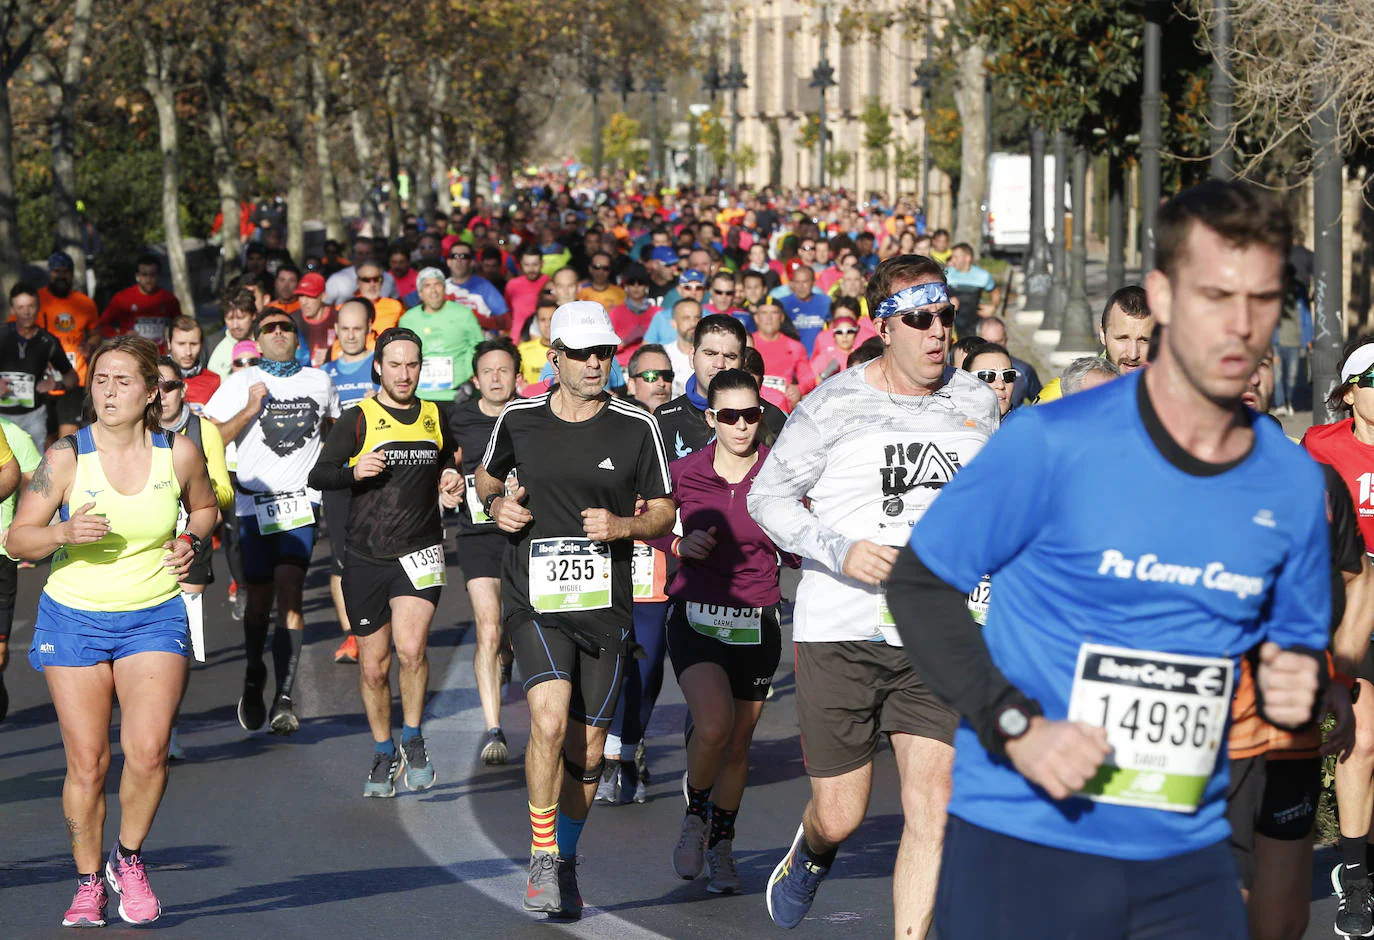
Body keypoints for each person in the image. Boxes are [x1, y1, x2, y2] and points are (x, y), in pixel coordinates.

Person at [886, 180, 1329, 939]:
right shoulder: (1052, 441)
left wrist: (1300, 678)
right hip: (1026, 839)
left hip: (1188, 857)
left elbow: (1295, 654)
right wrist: (1017, 724)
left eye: (1262, 301)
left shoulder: (1289, 479)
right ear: (1160, 294)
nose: (1241, 326)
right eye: (1215, 296)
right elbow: (920, 585)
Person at [750, 257, 999, 936]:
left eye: (946, 316)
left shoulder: (978, 402)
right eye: (920, 318)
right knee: (843, 812)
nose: (938, 332)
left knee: (935, 804)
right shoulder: (831, 404)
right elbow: (766, 496)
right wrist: (838, 549)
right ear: (883, 326)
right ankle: (814, 848)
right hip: (842, 632)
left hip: (940, 634)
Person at [475, 300, 674, 918]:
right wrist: (495, 507)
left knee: (588, 754)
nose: (595, 364)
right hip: (534, 598)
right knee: (549, 719)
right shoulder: (519, 418)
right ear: (553, 356)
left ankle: (563, 855)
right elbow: (486, 479)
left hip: (605, 607)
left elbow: (664, 511)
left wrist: (623, 524)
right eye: (583, 353)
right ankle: (539, 856)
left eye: (604, 353)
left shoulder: (636, 425)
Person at [9, 335, 215, 927]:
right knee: (89, 763)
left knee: (148, 753)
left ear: (152, 391)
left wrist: (189, 540)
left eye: (124, 380)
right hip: (74, 617)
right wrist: (61, 535)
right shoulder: (66, 456)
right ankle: (86, 881)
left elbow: (204, 508)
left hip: (152, 613)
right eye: (101, 379)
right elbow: (17, 537)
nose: (109, 391)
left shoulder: (177, 454)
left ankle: (128, 861)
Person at [1223, 346, 1368, 940]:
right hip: (1194, 717)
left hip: (1287, 713)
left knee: (1279, 884)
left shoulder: (1314, 482)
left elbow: (1360, 581)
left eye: (1259, 363)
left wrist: (1341, 670)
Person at [662, 369, 801, 894]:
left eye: (751, 414)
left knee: (739, 744)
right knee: (715, 724)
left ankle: (722, 845)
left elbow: (796, 543)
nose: (742, 426)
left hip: (758, 619)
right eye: (729, 416)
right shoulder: (685, 471)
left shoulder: (780, 473)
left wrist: (794, 544)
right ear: (710, 419)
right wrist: (676, 547)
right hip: (696, 613)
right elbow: (648, 524)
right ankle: (695, 814)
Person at [310, 327, 463, 797]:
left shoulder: (436, 414)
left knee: (412, 650)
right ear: (378, 366)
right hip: (365, 555)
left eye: (412, 365)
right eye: (394, 364)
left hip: (420, 550)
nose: (404, 374)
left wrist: (451, 478)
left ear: (421, 367)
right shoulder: (359, 417)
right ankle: (383, 748)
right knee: (374, 666)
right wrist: (354, 471)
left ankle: (413, 738)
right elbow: (320, 474)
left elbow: (448, 459)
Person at [204, 307, 339, 734]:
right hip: (252, 507)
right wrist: (248, 410)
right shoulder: (240, 383)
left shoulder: (319, 381)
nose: (279, 333)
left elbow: (332, 431)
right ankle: (252, 671)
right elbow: (209, 441)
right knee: (259, 601)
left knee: (291, 593)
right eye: (270, 328)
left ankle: (284, 695)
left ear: (297, 337)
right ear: (257, 340)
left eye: (287, 328)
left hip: (301, 505)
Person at [1301, 336, 1374, 937]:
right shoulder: (1322, 447)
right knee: (1365, 740)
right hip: (1354, 605)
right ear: (1349, 391)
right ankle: (1354, 877)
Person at [596, 343, 676, 804]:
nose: (659, 382)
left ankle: (629, 748)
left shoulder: (686, 425)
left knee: (646, 670)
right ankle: (607, 754)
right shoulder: (613, 425)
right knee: (610, 667)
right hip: (610, 563)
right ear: (630, 381)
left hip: (661, 562)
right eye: (649, 376)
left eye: (665, 374)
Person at [155, 356, 235, 759]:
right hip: (144, 541)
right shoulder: (137, 429)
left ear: (182, 389)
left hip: (189, 536)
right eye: (155, 386)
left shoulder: (203, 430)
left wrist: (195, 496)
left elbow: (224, 492)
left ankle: (166, 725)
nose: (162, 394)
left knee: (175, 640)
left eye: (169, 386)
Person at [447, 338, 520, 764]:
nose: (495, 378)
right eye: (488, 371)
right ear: (476, 380)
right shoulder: (459, 419)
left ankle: (505, 663)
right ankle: (494, 728)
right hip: (477, 534)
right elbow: (443, 460)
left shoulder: (530, 416)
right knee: (489, 627)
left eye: (503, 370)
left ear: (517, 377)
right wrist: (448, 479)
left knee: (512, 630)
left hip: (522, 535)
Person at [320, 299, 380, 665]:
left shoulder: (381, 367)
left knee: (379, 553)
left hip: (379, 474)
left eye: (358, 329)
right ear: (336, 332)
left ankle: (378, 624)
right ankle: (352, 634)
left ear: (368, 329)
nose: (351, 335)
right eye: (345, 329)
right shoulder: (323, 374)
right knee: (340, 558)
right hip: (341, 477)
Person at [1036, 285, 1153, 403]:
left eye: (1144, 340)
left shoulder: (1169, 398)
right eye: (1122, 338)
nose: (1133, 354)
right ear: (1102, 334)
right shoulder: (1061, 394)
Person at [655, 315, 749, 460]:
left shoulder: (766, 418)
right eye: (710, 354)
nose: (719, 364)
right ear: (692, 356)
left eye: (730, 357)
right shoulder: (664, 419)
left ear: (743, 363)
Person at [2, 283, 79, 453]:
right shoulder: (2, 335)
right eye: (21, 307)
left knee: (35, 471)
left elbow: (72, 377)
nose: (26, 312)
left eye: (31, 306)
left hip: (33, 417)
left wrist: (57, 384)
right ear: (13, 309)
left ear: (38, 307)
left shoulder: (48, 341)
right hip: (2, 417)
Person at [37, 252, 100, 439]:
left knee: (69, 438)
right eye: (56, 271)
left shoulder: (85, 303)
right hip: (44, 381)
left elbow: (97, 333)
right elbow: (16, 330)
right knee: (46, 438)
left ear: (72, 274)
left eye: (65, 272)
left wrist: (90, 343)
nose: (61, 276)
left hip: (75, 380)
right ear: (49, 273)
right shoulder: (37, 300)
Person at [399, 268, 483, 404]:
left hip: (459, 394)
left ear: (445, 288)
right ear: (420, 293)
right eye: (427, 286)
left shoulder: (464, 314)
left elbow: (479, 349)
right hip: (420, 394)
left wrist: (470, 382)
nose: (433, 290)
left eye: (437, 284)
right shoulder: (407, 320)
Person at [98, 254, 182, 348]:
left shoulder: (169, 299)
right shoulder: (122, 298)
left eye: (152, 275)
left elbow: (180, 327)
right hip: (132, 353)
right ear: (137, 276)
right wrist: (122, 335)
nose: (148, 279)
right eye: (144, 275)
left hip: (160, 357)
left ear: (158, 275)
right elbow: (103, 325)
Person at [751, 300, 814, 412]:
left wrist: (799, 389)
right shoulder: (749, 343)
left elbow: (808, 377)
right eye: (764, 313)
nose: (769, 318)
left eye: (774, 313)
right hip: (753, 403)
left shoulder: (795, 346)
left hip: (785, 407)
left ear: (781, 317)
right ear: (756, 318)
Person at [974, 316, 1042, 406]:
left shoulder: (1024, 371)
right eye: (988, 342)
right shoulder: (968, 369)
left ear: (1006, 340)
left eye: (998, 342)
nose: (994, 347)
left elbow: (1042, 406)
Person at [944, 243, 999, 338]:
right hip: (952, 323)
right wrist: (947, 303)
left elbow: (995, 293)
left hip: (975, 322)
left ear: (968, 258)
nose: (952, 260)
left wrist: (993, 307)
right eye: (952, 257)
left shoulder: (983, 276)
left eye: (956, 257)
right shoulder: (947, 274)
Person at [165, 316, 220, 412]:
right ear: (169, 343)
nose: (188, 352)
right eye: (181, 344)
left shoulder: (214, 381)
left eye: (194, 344)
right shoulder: (155, 378)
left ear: (202, 344)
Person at [776, 266, 831, 356]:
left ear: (813, 282)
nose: (801, 286)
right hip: (793, 356)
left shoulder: (825, 302)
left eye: (805, 282)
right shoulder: (783, 304)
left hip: (819, 357)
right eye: (797, 282)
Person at [207, 290, 257, 378]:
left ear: (253, 315)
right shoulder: (211, 345)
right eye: (229, 319)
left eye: (241, 318)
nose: (235, 325)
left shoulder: (265, 342)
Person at [506, 244, 550, 342]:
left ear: (542, 263)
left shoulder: (548, 283)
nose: (531, 269)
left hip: (542, 340)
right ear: (521, 264)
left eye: (535, 264)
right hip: (516, 340)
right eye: (527, 265)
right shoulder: (512, 285)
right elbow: (508, 312)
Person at [963, 342, 1019, 418]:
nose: (1000, 385)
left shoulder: (1029, 427)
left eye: (1008, 375)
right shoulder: (946, 425)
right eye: (988, 376)